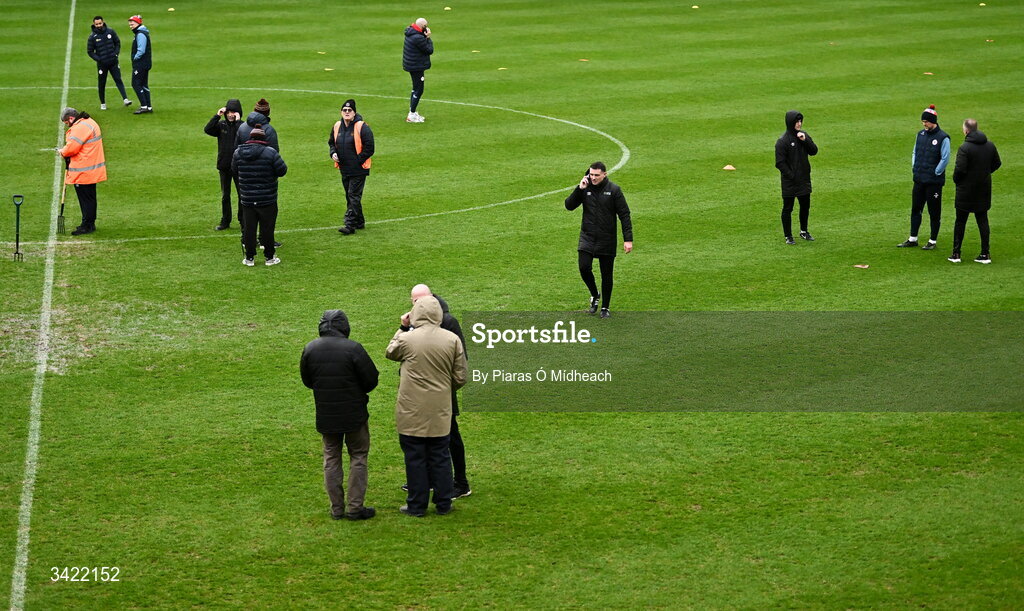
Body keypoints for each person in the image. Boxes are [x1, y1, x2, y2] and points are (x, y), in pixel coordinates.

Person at [386, 295, 467, 517]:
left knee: (415, 457)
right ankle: (443, 503)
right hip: (440, 408)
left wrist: (402, 328)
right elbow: (460, 376)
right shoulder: (452, 340)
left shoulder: (407, 339)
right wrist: (442, 389)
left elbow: (390, 352)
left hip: (411, 409)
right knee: (440, 455)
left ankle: (417, 505)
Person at [300, 309, 380, 521]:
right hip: (354, 415)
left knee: (331, 458)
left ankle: (336, 508)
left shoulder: (310, 349)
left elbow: (308, 380)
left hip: (327, 414)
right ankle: (355, 507)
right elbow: (371, 380)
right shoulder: (353, 348)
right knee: (359, 456)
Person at [406, 284, 472, 499]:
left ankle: (460, 482)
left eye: (421, 301)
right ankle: (431, 479)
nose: (419, 306)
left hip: (442, 390)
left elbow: (461, 361)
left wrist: (446, 387)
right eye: (415, 302)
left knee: (450, 435)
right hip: (419, 391)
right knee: (422, 435)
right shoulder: (412, 322)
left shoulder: (448, 321)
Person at [564, 162, 633, 318]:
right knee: (584, 267)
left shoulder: (614, 190)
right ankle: (595, 294)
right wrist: (579, 189)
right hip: (587, 237)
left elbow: (624, 215)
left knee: (606, 274)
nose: (593, 178)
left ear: (604, 174)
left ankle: (605, 308)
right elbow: (569, 206)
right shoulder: (585, 188)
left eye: (596, 175)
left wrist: (628, 239)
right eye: (591, 174)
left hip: (607, 238)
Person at [232, 126, 287, 266]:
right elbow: (282, 170)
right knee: (267, 229)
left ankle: (249, 258)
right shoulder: (270, 153)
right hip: (267, 198)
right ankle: (269, 257)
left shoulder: (238, 153)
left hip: (247, 198)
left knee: (249, 229)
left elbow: (234, 170)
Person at [897, 105, 950, 250]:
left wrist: (936, 172)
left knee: (934, 212)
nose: (924, 124)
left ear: (933, 121)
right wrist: (915, 167)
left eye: (926, 121)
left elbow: (945, 158)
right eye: (923, 122)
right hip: (919, 180)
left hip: (933, 183)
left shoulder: (943, 137)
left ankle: (932, 241)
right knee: (916, 209)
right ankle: (913, 238)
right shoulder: (920, 135)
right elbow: (915, 152)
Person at [949, 119, 1001, 264]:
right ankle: (985, 254)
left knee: (960, 221)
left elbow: (960, 170)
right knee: (982, 220)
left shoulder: (965, 148)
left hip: (966, 190)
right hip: (983, 189)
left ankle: (956, 254)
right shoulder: (990, 145)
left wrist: (957, 181)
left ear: (966, 130)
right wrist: (984, 173)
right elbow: (997, 163)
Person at [328, 99, 374, 235]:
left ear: (354, 113)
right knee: (350, 197)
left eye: (349, 110)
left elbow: (370, 147)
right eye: (344, 110)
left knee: (353, 194)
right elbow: (331, 143)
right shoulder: (337, 126)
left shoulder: (362, 127)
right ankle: (359, 221)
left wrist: (357, 161)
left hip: (358, 169)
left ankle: (350, 224)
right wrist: (333, 153)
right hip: (344, 168)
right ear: (341, 112)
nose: (347, 112)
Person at [58, 108, 106, 236]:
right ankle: (89, 223)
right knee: (90, 198)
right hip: (91, 168)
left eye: (67, 123)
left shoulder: (80, 128)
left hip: (83, 170)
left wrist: (62, 152)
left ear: (71, 118)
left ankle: (87, 225)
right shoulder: (89, 122)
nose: (67, 125)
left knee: (86, 199)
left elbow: (71, 148)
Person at [774, 110, 818, 244]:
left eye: (800, 121)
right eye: (796, 122)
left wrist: (805, 141)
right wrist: (792, 175)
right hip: (790, 182)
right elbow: (779, 163)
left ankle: (804, 231)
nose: (799, 124)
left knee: (805, 206)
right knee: (788, 208)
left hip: (804, 180)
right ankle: (788, 236)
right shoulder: (782, 141)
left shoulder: (803, 136)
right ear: (790, 123)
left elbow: (814, 151)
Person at [204, 99, 244, 231]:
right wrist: (217, 115)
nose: (231, 115)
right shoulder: (221, 126)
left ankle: (242, 220)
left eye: (234, 112)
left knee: (241, 195)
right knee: (225, 196)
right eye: (229, 112)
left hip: (239, 167)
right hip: (224, 166)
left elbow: (243, 136)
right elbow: (208, 129)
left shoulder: (243, 126)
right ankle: (225, 220)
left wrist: (238, 122)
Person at [87, 16, 131, 111]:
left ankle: (125, 99)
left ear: (103, 22)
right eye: (97, 24)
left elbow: (117, 43)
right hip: (102, 65)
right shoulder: (92, 37)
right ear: (94, 25)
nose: (99, 25)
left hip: (113, 62)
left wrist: (116, 54)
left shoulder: (110, 32)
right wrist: (99, 59)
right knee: (102, 83)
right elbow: (90, 51)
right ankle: (103, 103)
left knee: (118, 79)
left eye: (100, 23)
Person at [402, 17, 433, 123]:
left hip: (413, 64)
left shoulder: (411, 32)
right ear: (422, 27)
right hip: (416, 66)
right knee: (419, 89)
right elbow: (429, 50)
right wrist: (428, 38)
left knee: (415, 88)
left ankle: (413, 112)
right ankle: (411, 115)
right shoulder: (418, 38)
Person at [127, 15, 152, 114]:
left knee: (136, 84)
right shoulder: (142, 33)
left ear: (138, 23)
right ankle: (148, 106)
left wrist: (135, 58)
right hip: (145, 63)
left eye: (132, 24)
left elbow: (141, 50)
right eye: (130, 24)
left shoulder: (140, 34)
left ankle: (144, 106)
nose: (131, 26)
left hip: (140, 64)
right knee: (144, 84)